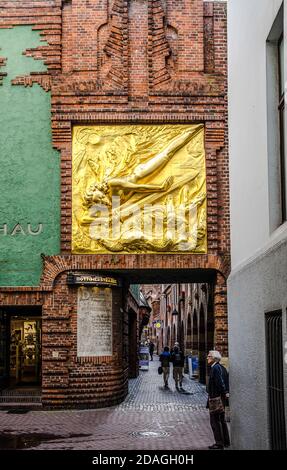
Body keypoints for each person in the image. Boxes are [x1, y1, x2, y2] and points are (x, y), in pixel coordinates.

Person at [206, 350, 230, 450]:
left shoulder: (215, 368)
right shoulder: (222, 368)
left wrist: (224, 392)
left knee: (215, 421)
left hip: (216, 398)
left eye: (209, 356)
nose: (207, 358)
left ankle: (219, 443)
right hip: (220, 398)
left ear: (214, 358)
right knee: (222, 420)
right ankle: (225, 442)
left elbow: (220, 383)